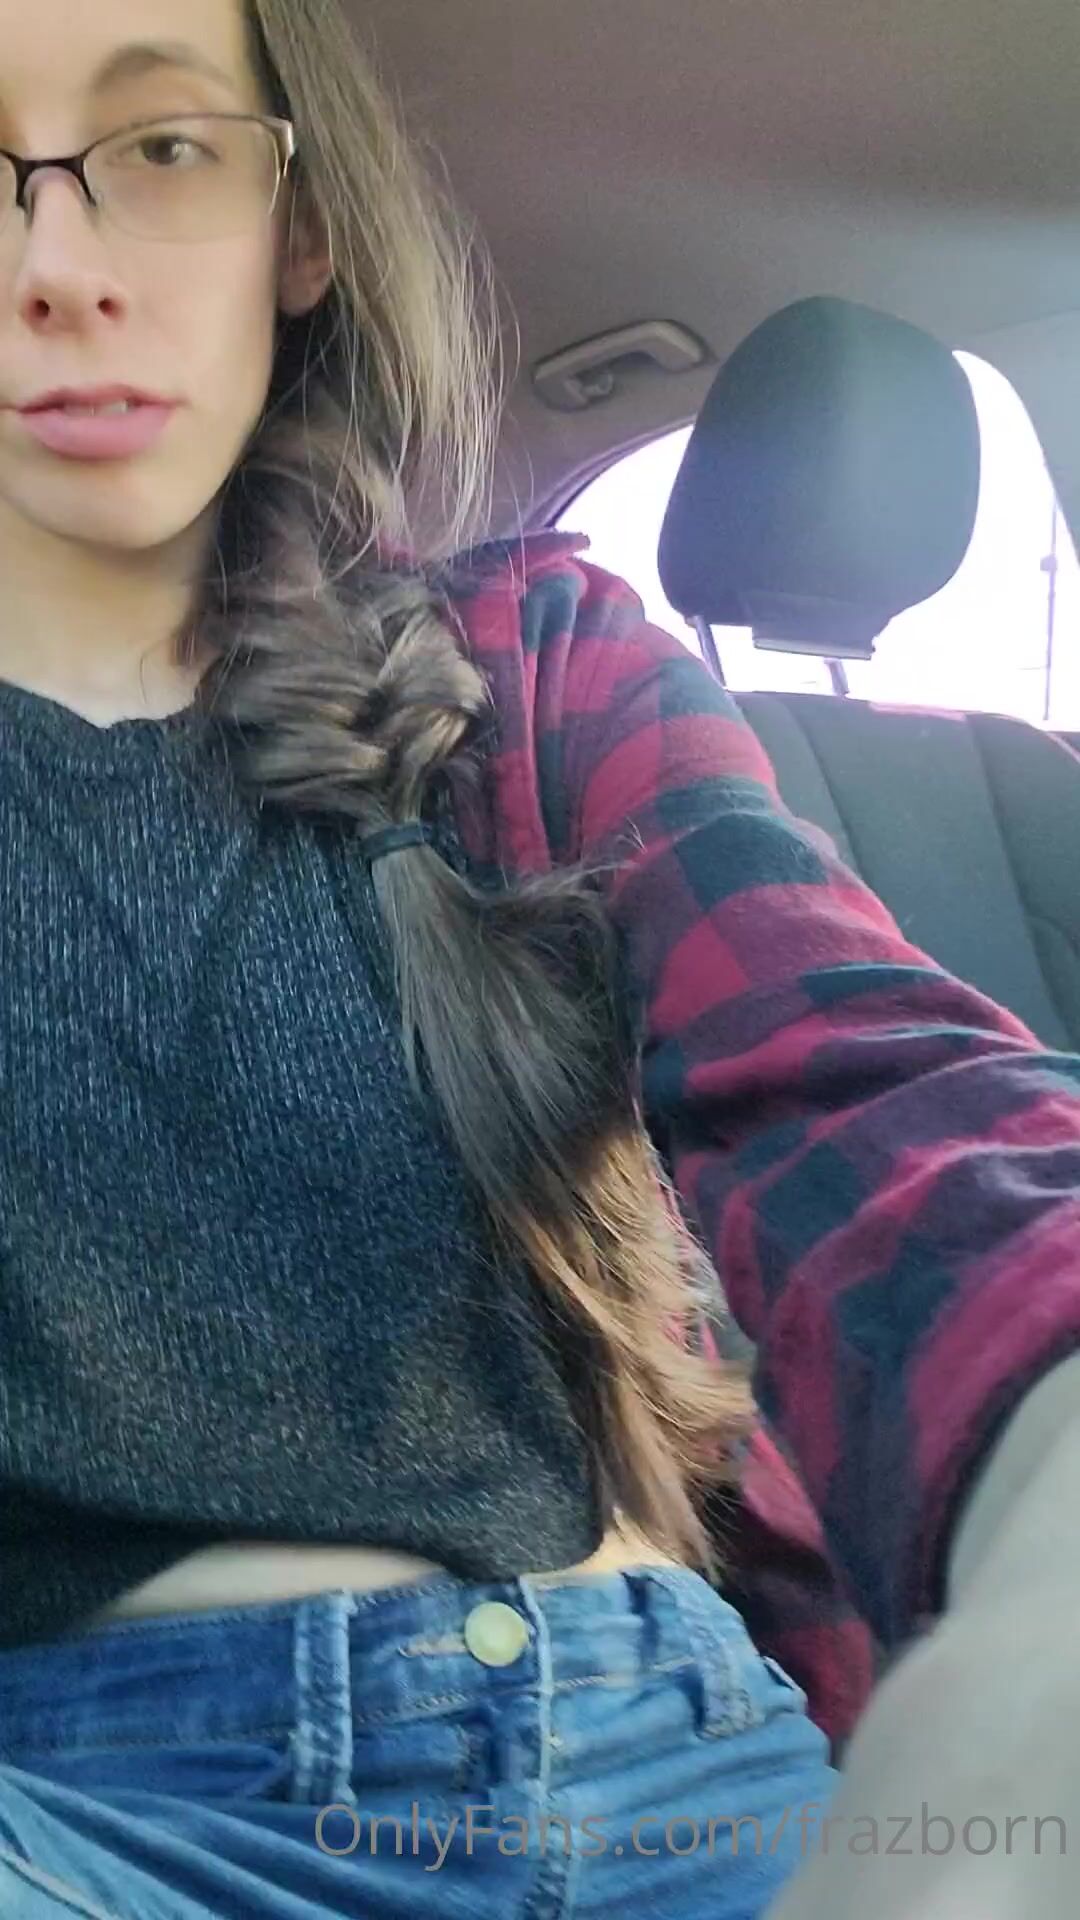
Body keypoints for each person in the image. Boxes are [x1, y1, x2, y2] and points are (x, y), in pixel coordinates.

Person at [0, 1, 1077, 1915]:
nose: (59, 267)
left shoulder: (529, 667)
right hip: (89, 1817)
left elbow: (860, 1085)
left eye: (161, 150)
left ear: (298, 232)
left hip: (693, 1761)